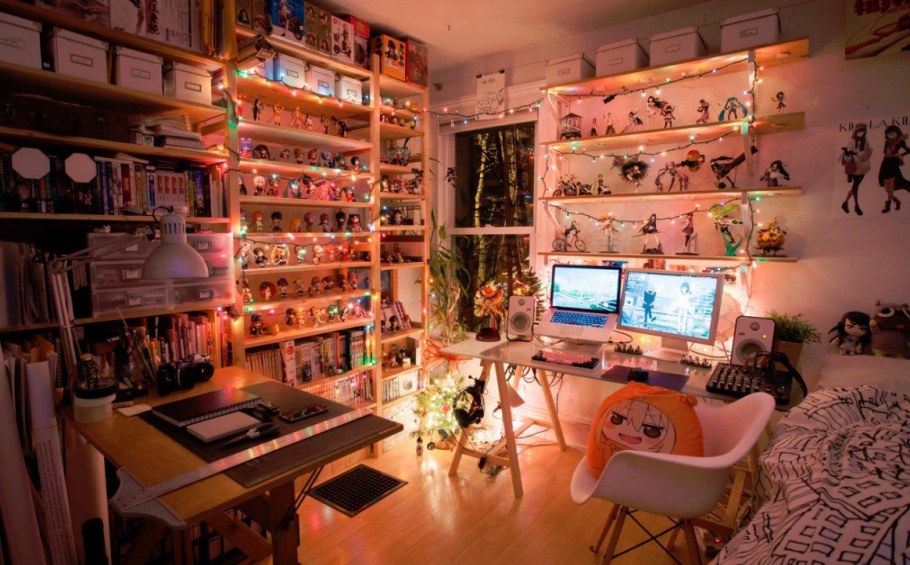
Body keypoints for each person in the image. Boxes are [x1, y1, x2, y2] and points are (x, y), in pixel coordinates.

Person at [840, 123, 872, 216]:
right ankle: (856, 205)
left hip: (863, 166)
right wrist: (849, 153)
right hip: (854, 167)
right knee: (856, 186)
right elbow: (848, 156)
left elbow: (867, 152)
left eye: (862, 131)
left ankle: (845, 203)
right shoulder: (852, 141)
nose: (860, 133)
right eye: (859, 131)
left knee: (855, 186)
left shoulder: (865, 140)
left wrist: (862, 154)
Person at [878, 124, 910, 213]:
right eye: (889, 133)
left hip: (893, 162)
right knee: (885, 184)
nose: (890, 135)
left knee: (891, 183)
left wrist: (900, 154)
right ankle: (896, 201)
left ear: (897, 132)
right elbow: (885, 152)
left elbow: (908, 150)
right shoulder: (887, 141)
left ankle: (888, 205)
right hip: (885, 162)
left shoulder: (900, 141)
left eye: (892, 133)